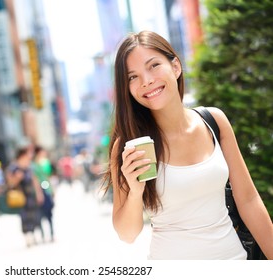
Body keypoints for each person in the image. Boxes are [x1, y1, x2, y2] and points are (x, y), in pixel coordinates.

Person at [103, 30, 273, 260]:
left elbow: (249, 201)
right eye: (133, 77)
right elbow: (127, 234)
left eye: (153, 65)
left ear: (175, 67)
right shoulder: (129, 146)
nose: (147, 81)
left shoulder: (214, 122)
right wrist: (135, 192)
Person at [6, 147, 44, 247]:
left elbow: (35, 181)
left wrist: (39, 194)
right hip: (21, 196)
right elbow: (10, 183)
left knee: (34, 215)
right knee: (24, 217)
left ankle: (34, 235)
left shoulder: (29, 167)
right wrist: (17, 178)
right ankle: (27, 237)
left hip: (31, 195)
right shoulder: (13, 167)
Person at [33, 145, 55, 242]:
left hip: (47, 189)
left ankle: (51, 234)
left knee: (49, 212)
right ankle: (42, 235)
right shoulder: (33, 165)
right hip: (39, 190)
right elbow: (35, 179)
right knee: (40, 213)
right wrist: (38, 193)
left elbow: (48, 177)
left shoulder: (45, 163)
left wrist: (52, 189)